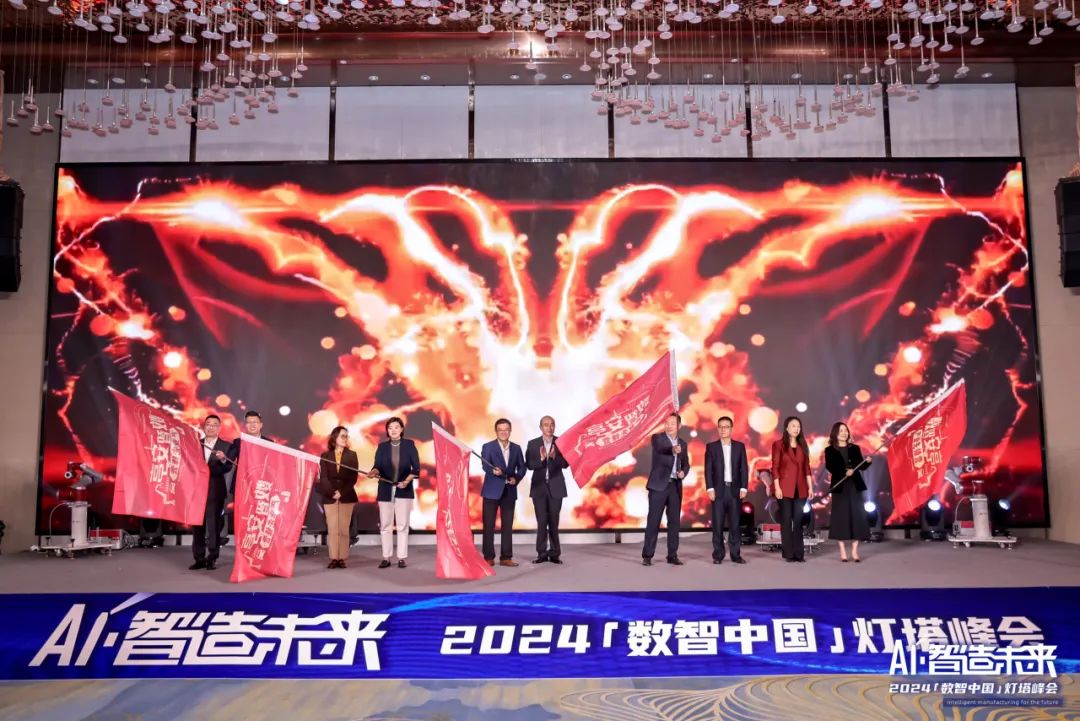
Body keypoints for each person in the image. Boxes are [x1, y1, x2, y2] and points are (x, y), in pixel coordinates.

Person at [369, 416, 421, 569]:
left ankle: (401, 557)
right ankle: (386, 557)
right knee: (385, 525)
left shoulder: (409, 445)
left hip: (404, 490)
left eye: (396, 427)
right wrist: (373, 472)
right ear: (387, 430)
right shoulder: (382, 447)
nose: (393, 430)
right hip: (385, 489)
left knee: (402, 525)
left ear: (402, 429)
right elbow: (377, 466)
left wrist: (407, 481)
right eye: (390, 428)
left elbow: (416, 468)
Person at [642, 412, 689, 566]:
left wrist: (683, 473)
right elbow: (662, 448)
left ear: (679, 426)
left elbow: (686, 463)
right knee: (653, 521)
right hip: (658, 486)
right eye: (667, 423)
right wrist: (673, 450)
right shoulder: (657, 438)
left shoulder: (683, 443)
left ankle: (672, 555)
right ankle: (647, 555)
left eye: (673, 423)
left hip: (675, 486)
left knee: (674, 523)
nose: (669, 426)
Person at [480, 418, 526, 567]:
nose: (503, 432)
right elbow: (485, 465)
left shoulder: (516, 448)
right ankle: (488, 557)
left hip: (509, 491)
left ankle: (506, 557)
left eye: (506, 430)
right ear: (496, 431)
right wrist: (493, 471)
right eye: (500, 430)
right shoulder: (488, 447)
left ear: (510, 431)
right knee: (489, 525)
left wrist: (516, 478)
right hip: (491, 491)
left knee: (507, 525)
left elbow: (522, 467)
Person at [824, 421, 872, 563]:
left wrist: (867, 462)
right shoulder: (829, 450)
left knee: (857, 516)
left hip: (855, 486)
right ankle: (843, 551)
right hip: (840, 487)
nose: (844, 433)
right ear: (835, 434)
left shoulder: (855, 448)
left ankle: (855, 552)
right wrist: (845, 472)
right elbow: (830, 467)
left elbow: (861, 466)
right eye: (841, 431)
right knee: (840, 517)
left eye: (846, 430)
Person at [704, 415, 749, 565]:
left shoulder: (739, 447)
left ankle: (735, 555)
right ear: (718, 429)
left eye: (726, 427)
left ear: (731, 429)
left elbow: (744, 468)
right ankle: (718, 555)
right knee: (717, 525)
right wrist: (710, 488)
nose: (723, 429)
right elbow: (708, 470)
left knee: (735, 525)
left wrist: (744, 486)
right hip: (718, 491)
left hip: (735, 490)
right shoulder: (711, 447)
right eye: (721, 427)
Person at [525, 415, 570, 564]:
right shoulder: (532, 444)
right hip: (539, 489)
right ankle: (542, 553)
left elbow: (566, 464)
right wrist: (542, 459)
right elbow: (529, 465)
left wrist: (554, 457)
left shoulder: (561, 442)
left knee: (554, 522)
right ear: (540, 427)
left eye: (552, 424)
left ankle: (555, 554)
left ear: (554, 426)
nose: (549, 427)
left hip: (556, 488)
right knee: (541, 522)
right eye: (546, 425)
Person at [190, 414, 232, 571]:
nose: (211, 427)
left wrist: (222, 459)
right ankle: (199, 558)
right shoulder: (196, 443)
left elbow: (227, 467)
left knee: (214, 525)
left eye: (215, 425)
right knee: (197, 526)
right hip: (196, 490)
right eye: (208, 424)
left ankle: (212, 558)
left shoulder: (225, 446)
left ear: (219, 428)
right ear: (204, 426)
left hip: (215, 490)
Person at [770, 416, 813, 563]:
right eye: (793, 425)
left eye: (798, 426)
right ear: (787, 428)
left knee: (799, 520)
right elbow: (775, 467)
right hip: (784, 488)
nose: (796, 428)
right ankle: (789, 554)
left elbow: (807, 468)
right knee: (786, 521)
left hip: (801, 488)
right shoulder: (778, 445)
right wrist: (777, 487)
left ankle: (799, 554)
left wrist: (810, 487)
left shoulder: (802, 445)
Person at [318, 426, 359, 569]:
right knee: (332, 529)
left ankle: (342, 558)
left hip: (346, 495)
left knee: (343, 529)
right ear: (334, 437)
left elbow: (353, 478)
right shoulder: (325, 455)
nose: (345, 438)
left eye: (346, 436)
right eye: (342, 436)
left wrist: (341, 492)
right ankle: (334, 558)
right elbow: (323, 478)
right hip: (329, 497)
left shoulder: (352, 455)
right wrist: (332, 493)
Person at [226, 410, 272, 494]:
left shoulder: (269, 443)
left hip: (261, 486)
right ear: (245, 425)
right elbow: (228, 460)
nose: (252, 425)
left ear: (261, 425)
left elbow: (272, 465)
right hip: (241, 484)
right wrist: (223, 458)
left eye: (255, 422)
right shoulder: (238, 442)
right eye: (249, 422)